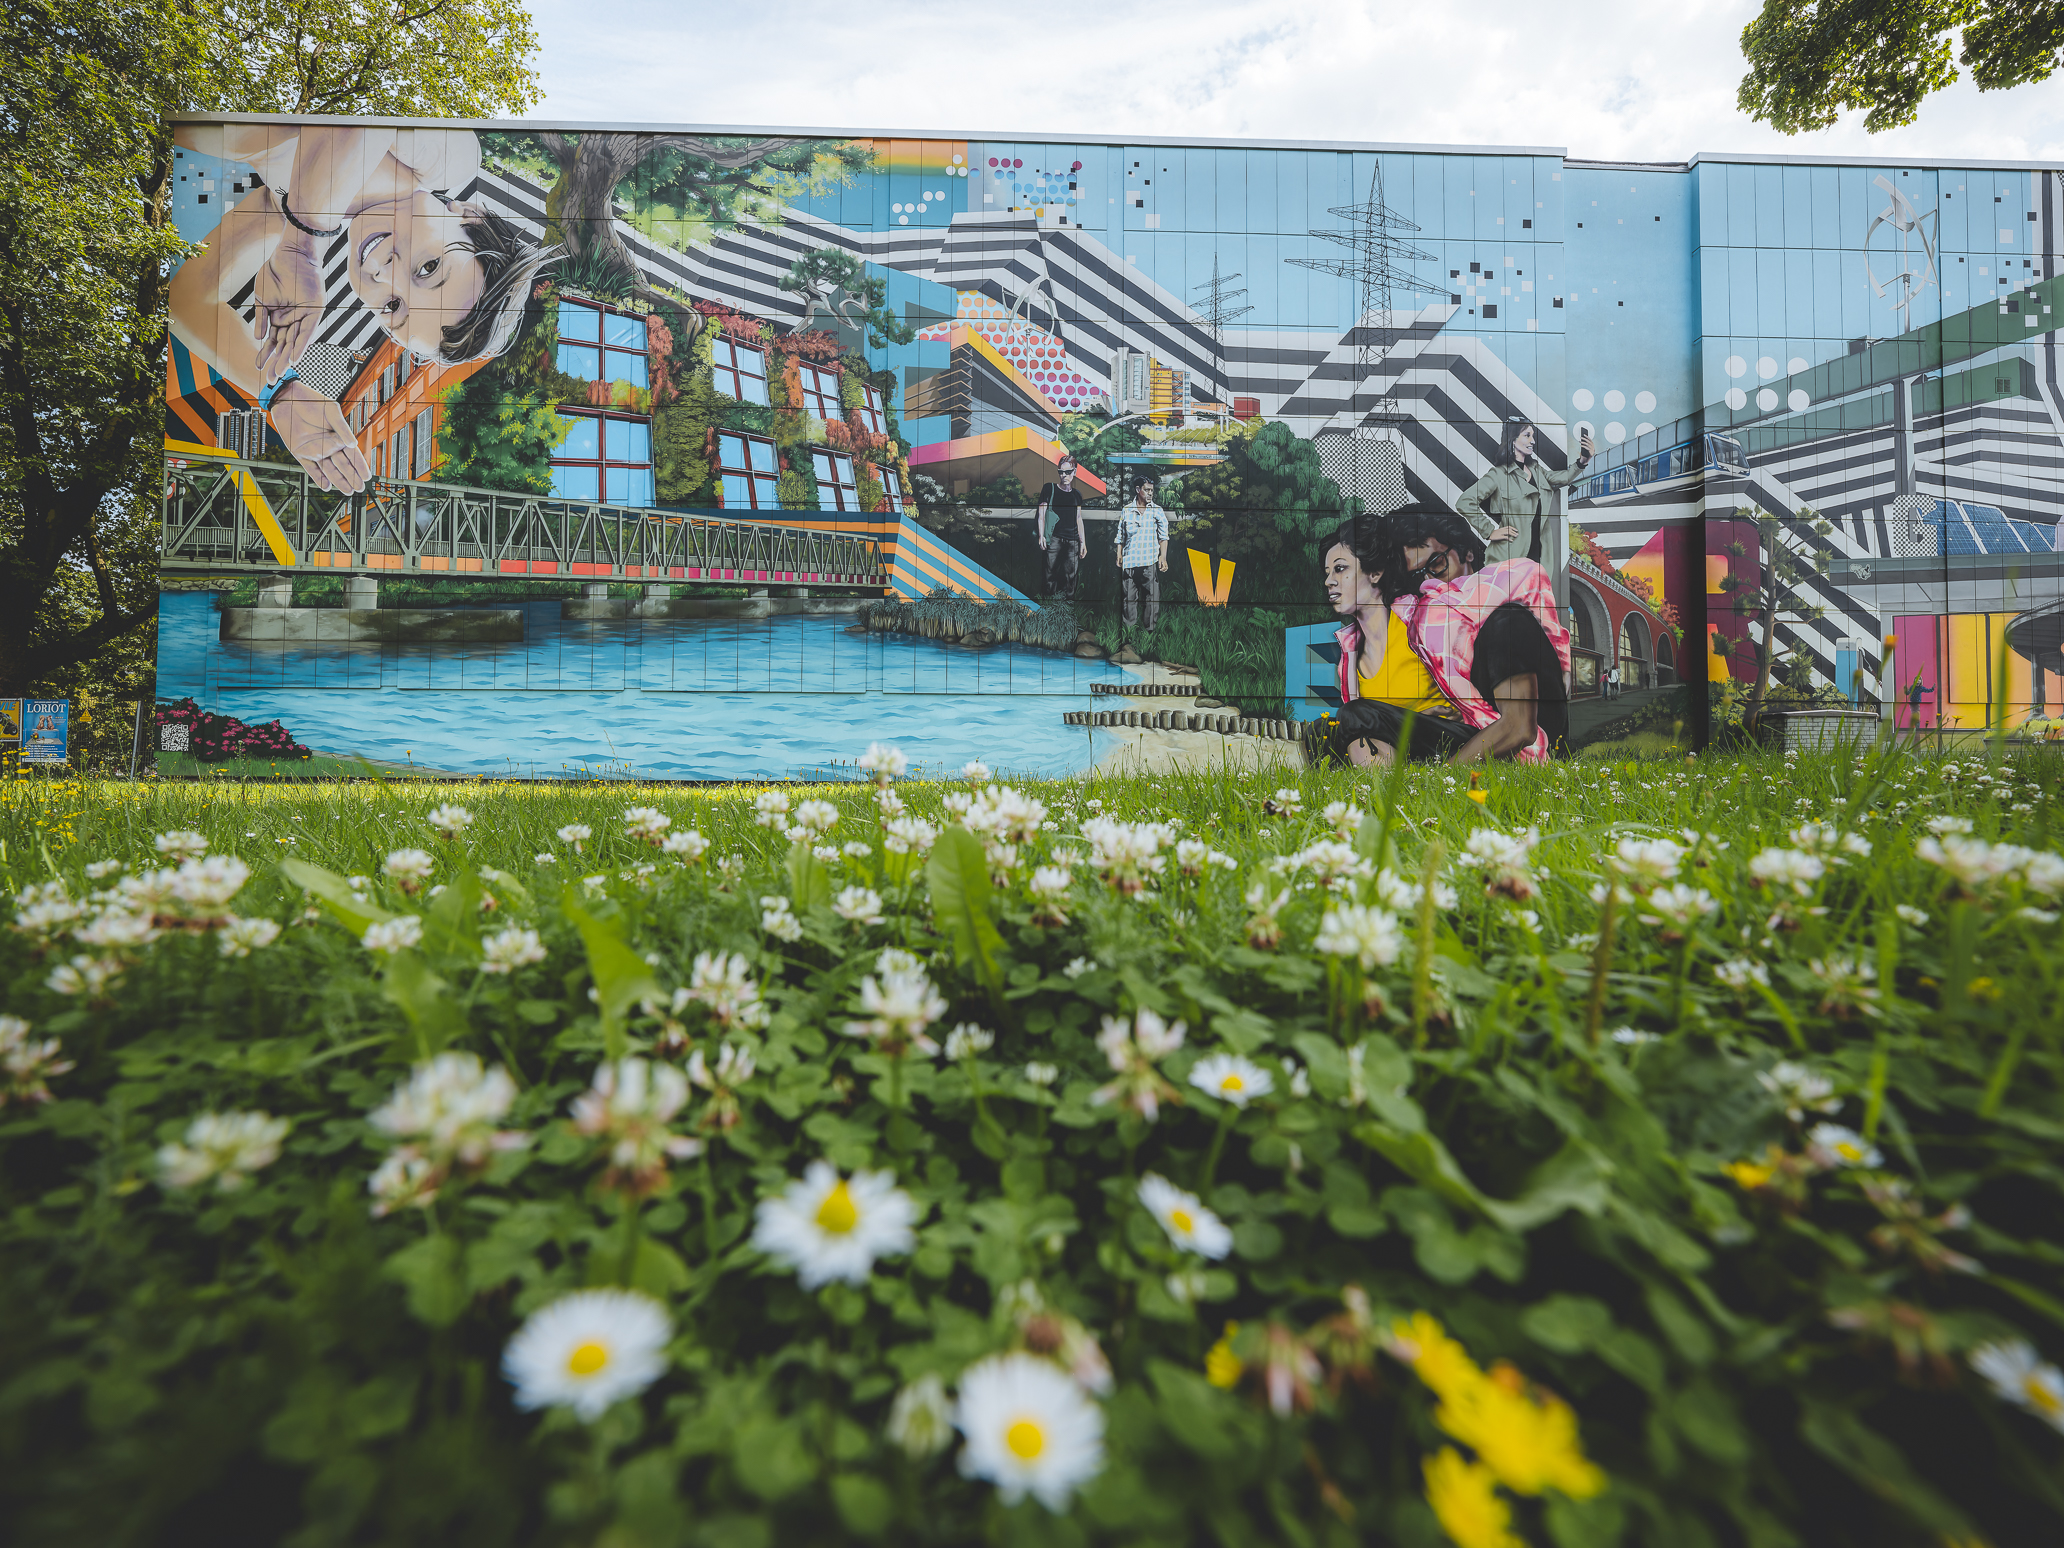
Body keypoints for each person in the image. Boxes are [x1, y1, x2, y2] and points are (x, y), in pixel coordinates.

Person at [168, 124, 561, 493]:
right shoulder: (450, 159)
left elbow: (186, 298)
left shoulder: (284, 211)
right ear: (468, 215)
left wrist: (279, 392)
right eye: (429, 267)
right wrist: (305, 242)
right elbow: (364, 121)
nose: (385, 273)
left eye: (392, 306)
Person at [1321, 506, 1570, 765]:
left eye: (1436, 565)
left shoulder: (1502, 620)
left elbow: (1529, 575)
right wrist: (1419, 719)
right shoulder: (1432, 630)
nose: (1429, 583)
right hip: (1465, 741)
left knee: (1355, 716)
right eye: (1415, 577)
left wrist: (1564, 661)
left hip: (1520, 750)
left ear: (1467, 552)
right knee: (1333, 726)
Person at [1456, 417, 1594, 581]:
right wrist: (1489, 531)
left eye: (1533, 436)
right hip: (1509, 558)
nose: (1532, 441)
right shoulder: (1499, 475)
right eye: (1527, 435)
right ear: (1513, 439)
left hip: (1540, 558)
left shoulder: (1537, 470)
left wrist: (1583, 461)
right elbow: (1465, 502)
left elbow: (1563, 477)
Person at [1116, 476, 1168, 631]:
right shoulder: (1126, 510)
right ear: (1138, 490)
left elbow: (1164, 536)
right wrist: (1119, 554)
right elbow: (1120, 536)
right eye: (1147, 490)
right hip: (1130, 561)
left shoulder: (1157, 511)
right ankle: (1128, 632)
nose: (1150, 493)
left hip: (1149, 561)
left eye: (1152, 490)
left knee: (1152, 598)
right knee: (1128, 599)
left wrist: (1163, 557)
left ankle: (1149, 632)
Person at [1034, 457, 1087, 599]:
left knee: (1071, 576)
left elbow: (1078, 518)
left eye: (1068, 472)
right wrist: (1041, 535)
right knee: (1049, 572)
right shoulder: (1049, 488)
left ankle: (1067, 607)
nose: (1064, 475)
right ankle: (1048, 605)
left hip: (1073, 540)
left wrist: (1083, 542)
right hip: (1054, 538)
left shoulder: (1077, 495)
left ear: (1074, 472)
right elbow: (1041, 515)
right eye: (1061, 472)